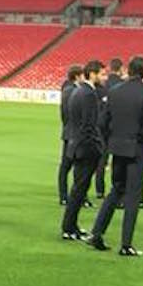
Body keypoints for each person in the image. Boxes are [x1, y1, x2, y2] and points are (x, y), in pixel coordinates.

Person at [85, 55, 143, 258]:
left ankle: (97, 232)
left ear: (129, 70)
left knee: (115, 190)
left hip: (118, 148)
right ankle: (126, 244)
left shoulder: (115, 91)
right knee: (133, 196)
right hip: (137, 150)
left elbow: (102, 122)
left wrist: (112, 142)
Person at [61, 60, 104, 241]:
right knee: (79, 189)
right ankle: (69, 227)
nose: (104, 77)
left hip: (75, 145)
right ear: (92, 74)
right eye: (102, 74)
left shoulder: (77, 91)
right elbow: (89, 125)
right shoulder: (88, 94)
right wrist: (98, 147)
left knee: (78, 188)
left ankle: (71, 226)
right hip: (85, 149)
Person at [94, 59, 121, 197]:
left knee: (101, 161)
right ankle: (116, 191)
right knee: (117, 160)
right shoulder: (121, 85)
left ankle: (100, 189)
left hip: (101, 128)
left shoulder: (103, 87)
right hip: (115, 129)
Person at [58, 64, 82, 206]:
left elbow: (63, 114)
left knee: (68, 166)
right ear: (77, 76)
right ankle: (66, 195)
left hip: (69, 132)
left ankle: (66, 196)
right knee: (69, 166)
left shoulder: (68, 90)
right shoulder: (72, 91)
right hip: (73, 133)